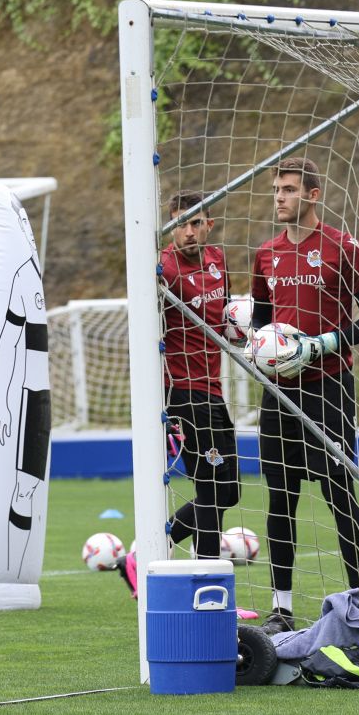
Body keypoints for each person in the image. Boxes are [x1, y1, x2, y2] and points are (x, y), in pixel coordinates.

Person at [250, 157, 359, 634]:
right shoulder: (265, 253)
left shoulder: (343, 247)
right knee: (279, 497)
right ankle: (281, 608)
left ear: (312, 195)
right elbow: (261, 325)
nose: (279, 198)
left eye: (288, 189)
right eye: (276, 190)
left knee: (339, 494)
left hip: (328, 386)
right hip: (278, 394)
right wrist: (250, 334)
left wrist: (322, 343)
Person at [117, 190, 240, 598]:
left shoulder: (219, 261)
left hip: (213, 388)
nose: (188, 231)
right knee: (210, 490)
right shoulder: (162, 269)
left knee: (230, 490)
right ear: (170, 225)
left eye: (195, 222)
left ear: (210, 223)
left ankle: (148, 551)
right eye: (180, 223)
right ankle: (209, 590)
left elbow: (226, 319)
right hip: (182, 392)